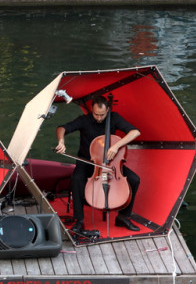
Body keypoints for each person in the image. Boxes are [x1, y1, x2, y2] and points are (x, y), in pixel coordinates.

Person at [55, 95, 141, 235]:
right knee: (76, 179)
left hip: (109, 164)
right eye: (96, 114)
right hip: (87, 162)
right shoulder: (84, 120)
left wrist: (116, 146)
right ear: (91, 110)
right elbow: (62, 128)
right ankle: (79, 220)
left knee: (134, 179)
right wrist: (61, 142)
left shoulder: (114, 118)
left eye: (102, 114)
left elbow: (135, 132)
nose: (99, 118)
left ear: (107, 109)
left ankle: (123, 217)